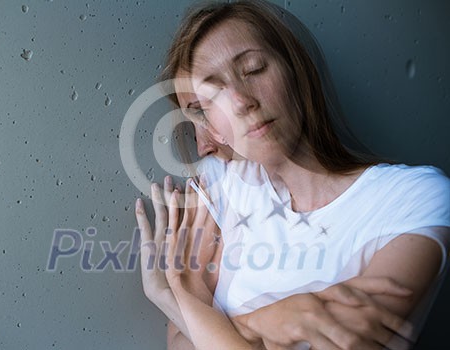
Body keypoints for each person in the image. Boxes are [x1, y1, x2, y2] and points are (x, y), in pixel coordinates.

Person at [134, 1, 450, 349]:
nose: (240, 101)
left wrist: (176, 297)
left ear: (294, 70)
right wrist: (273, 319)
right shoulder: (224, 187)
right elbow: (179, 344)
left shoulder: (415, 196)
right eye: (212, 97)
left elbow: (355, 339)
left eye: (253, 69)